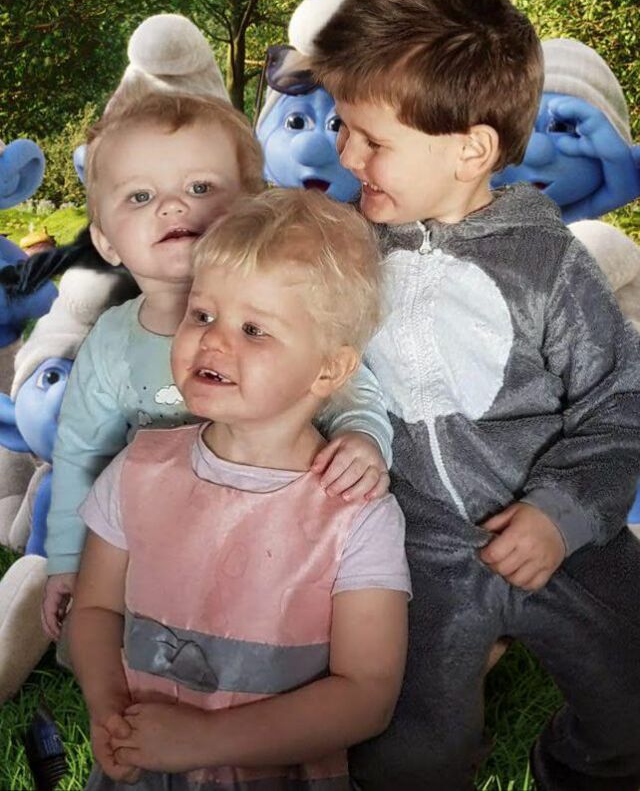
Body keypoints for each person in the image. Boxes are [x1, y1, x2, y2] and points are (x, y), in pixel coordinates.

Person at [310, 0, 640, 791]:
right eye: (342, 125)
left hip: (564, 536)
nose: (345, 152)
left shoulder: (548, 266)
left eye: (373, 139)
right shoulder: (343, 248)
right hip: (414, 551)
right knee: (401, 751)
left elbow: (618, 404)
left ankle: (576, 766)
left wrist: (563, 514)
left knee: (632, 709)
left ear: (471, 150)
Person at [67, 188, 411, 789]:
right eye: (202, 315)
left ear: (328, 369)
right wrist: (109, 710)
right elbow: (94, 609)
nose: (213, 340)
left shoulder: (356, 516)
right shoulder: (138, 469)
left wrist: (206, 740)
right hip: (143, 766)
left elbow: (367, 695)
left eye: (254, 329)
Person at [42, 93, 394, 642]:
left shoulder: (293, 309)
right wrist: (68, 559)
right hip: (161, 533)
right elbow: (80, 452)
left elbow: (352, 387)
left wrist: (363, 439)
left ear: (254, 208)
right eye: (140, 196)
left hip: (271, 530)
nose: (173, 207)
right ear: (105, 240)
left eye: (200, 187)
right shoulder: (112, 341)